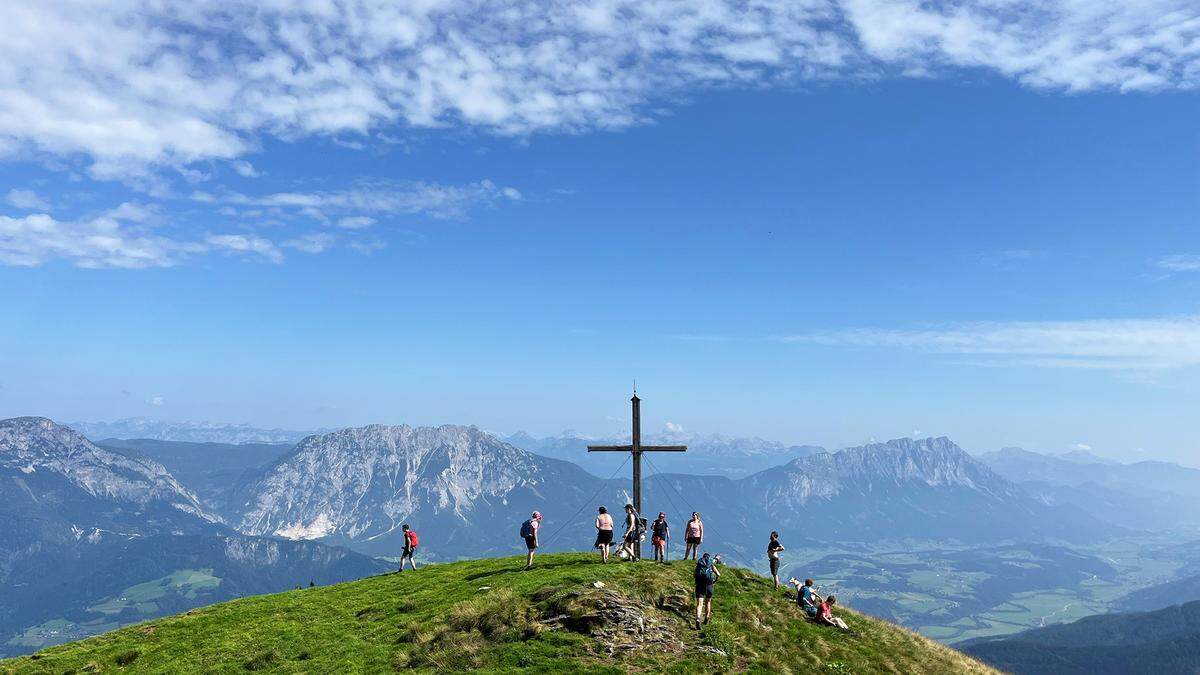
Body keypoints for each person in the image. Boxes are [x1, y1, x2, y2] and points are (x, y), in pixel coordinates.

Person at [693, 552, 720, 629]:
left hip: (700, 585)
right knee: (708, 602)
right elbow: (718, 575)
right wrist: (714, 582)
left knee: (699, 604)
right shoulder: (711, 564)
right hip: (709, 585)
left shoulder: (699, 564)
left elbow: (694, 575)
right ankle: (706, 618)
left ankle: (698, 619)